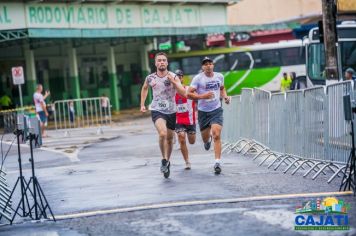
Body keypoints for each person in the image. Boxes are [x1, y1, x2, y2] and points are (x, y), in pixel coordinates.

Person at [140, 52, 186, 178]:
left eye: (163, 60)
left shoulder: (174, 76)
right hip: (157, 109)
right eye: (159, 60)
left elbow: (183, 93)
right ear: (155, 63)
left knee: (170, 139)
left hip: (172, 111)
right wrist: (142, 104)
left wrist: (175, 83)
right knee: (162, 133)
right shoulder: (150, 78)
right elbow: (144, 88)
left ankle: (167, 161)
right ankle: (164, 160)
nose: (161, 62)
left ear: (167, 63)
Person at [187, 57, 231, 174]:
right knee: (206, 138)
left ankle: (217, 162)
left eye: (210, 63)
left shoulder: (219, 76)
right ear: (202, 67)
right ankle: (207, 141)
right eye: (205, 64)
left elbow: (222, 88)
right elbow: (189, 93)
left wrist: (225, 97)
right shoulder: (198, 78)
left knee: (216, 134)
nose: (208, 66)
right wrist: (203, 96)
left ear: (213, 65)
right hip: (203, 112)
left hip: (216, 110)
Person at [174, 69, 198, 170]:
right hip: (178, 119)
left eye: (180, 76)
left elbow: (197, 98)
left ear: (182, 78)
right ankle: (187, 162)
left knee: (192, 141)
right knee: (182, 138)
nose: (179, 78)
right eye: (177, 77)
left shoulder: (189, 89)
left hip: (190, 119)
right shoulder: (171, 92)